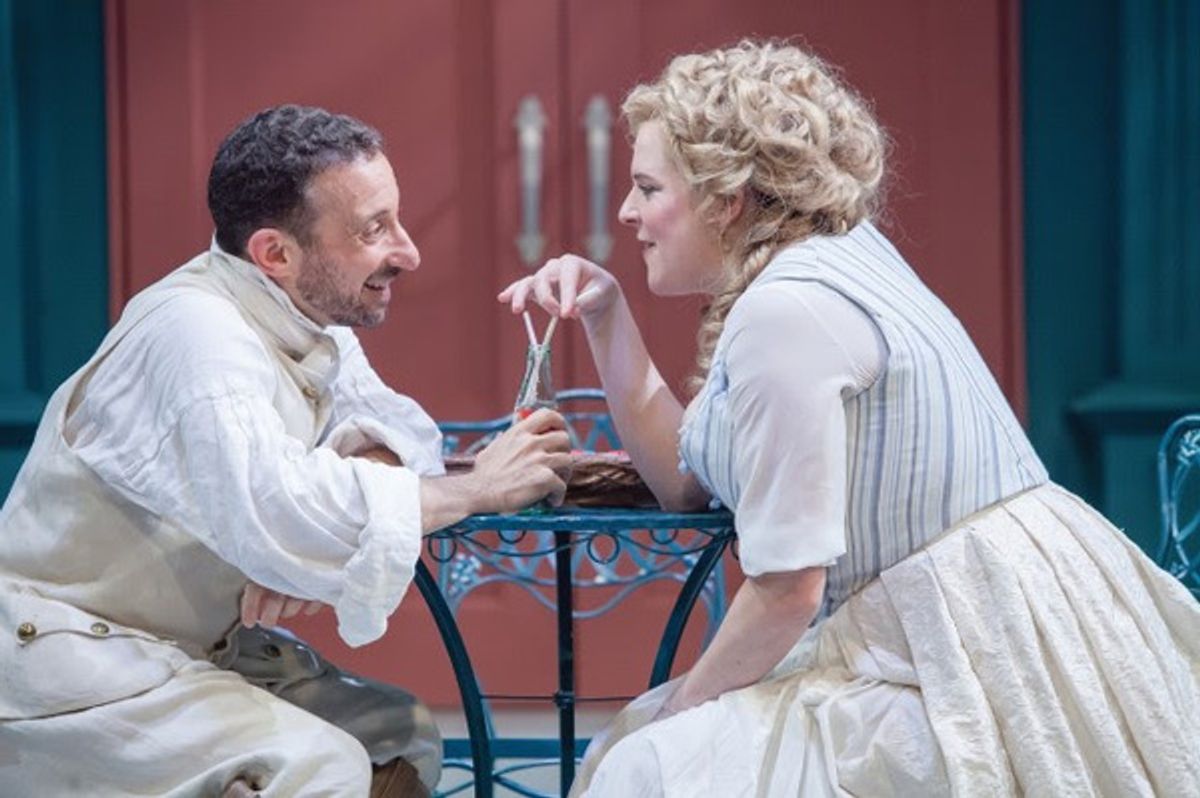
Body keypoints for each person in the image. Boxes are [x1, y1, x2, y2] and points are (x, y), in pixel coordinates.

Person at [500, 40, 1200, 797]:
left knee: (654, 763)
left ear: (725, 200)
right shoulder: (832, 258)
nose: (626, 212)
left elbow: (787, 589)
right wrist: (607, 316)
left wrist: (683, 705)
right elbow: (684, 480)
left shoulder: (788, 309)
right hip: (943, 634)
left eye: (647, 187)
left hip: (966, 655)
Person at [0, 104, 572, 797]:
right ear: (275, 253)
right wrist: (474, 489)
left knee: (397, 730)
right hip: (62, 655)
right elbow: (283, 511)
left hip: (181, 647)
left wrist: (301, 532)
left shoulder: (298, 314)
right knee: (317, 766)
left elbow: (399, 428)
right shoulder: (200, 335)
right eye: (373, 229)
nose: (407, 251)